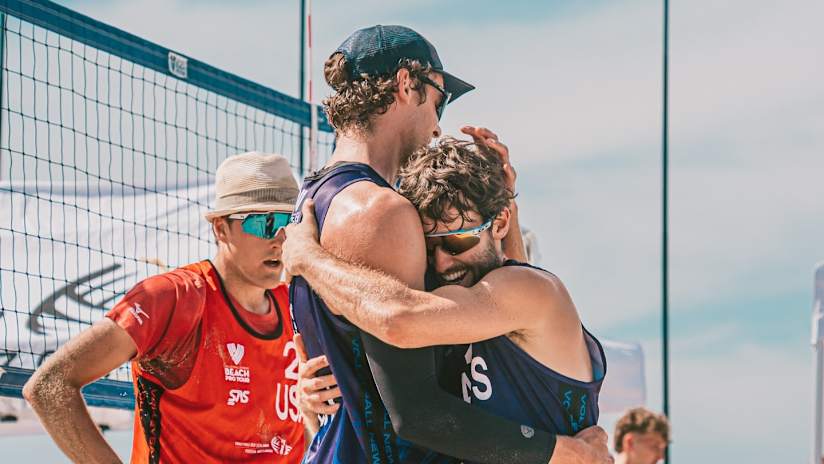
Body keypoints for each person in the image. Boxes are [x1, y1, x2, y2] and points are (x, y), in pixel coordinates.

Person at [288, 24, 611, 464]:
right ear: (406, 84)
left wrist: (504, 205)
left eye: (455, 240)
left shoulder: (313, 203)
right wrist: (567, 453)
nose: (439, 125)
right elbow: (415, 409)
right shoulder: (380, 211)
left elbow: (508, 312)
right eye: (440, 100)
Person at [23, 152, 304, 463]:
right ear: (221, 229)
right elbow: (49, 385)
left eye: (290, 223)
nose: (280, 239)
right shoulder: (174, 298)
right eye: (265, 223)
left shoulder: (298, 307)